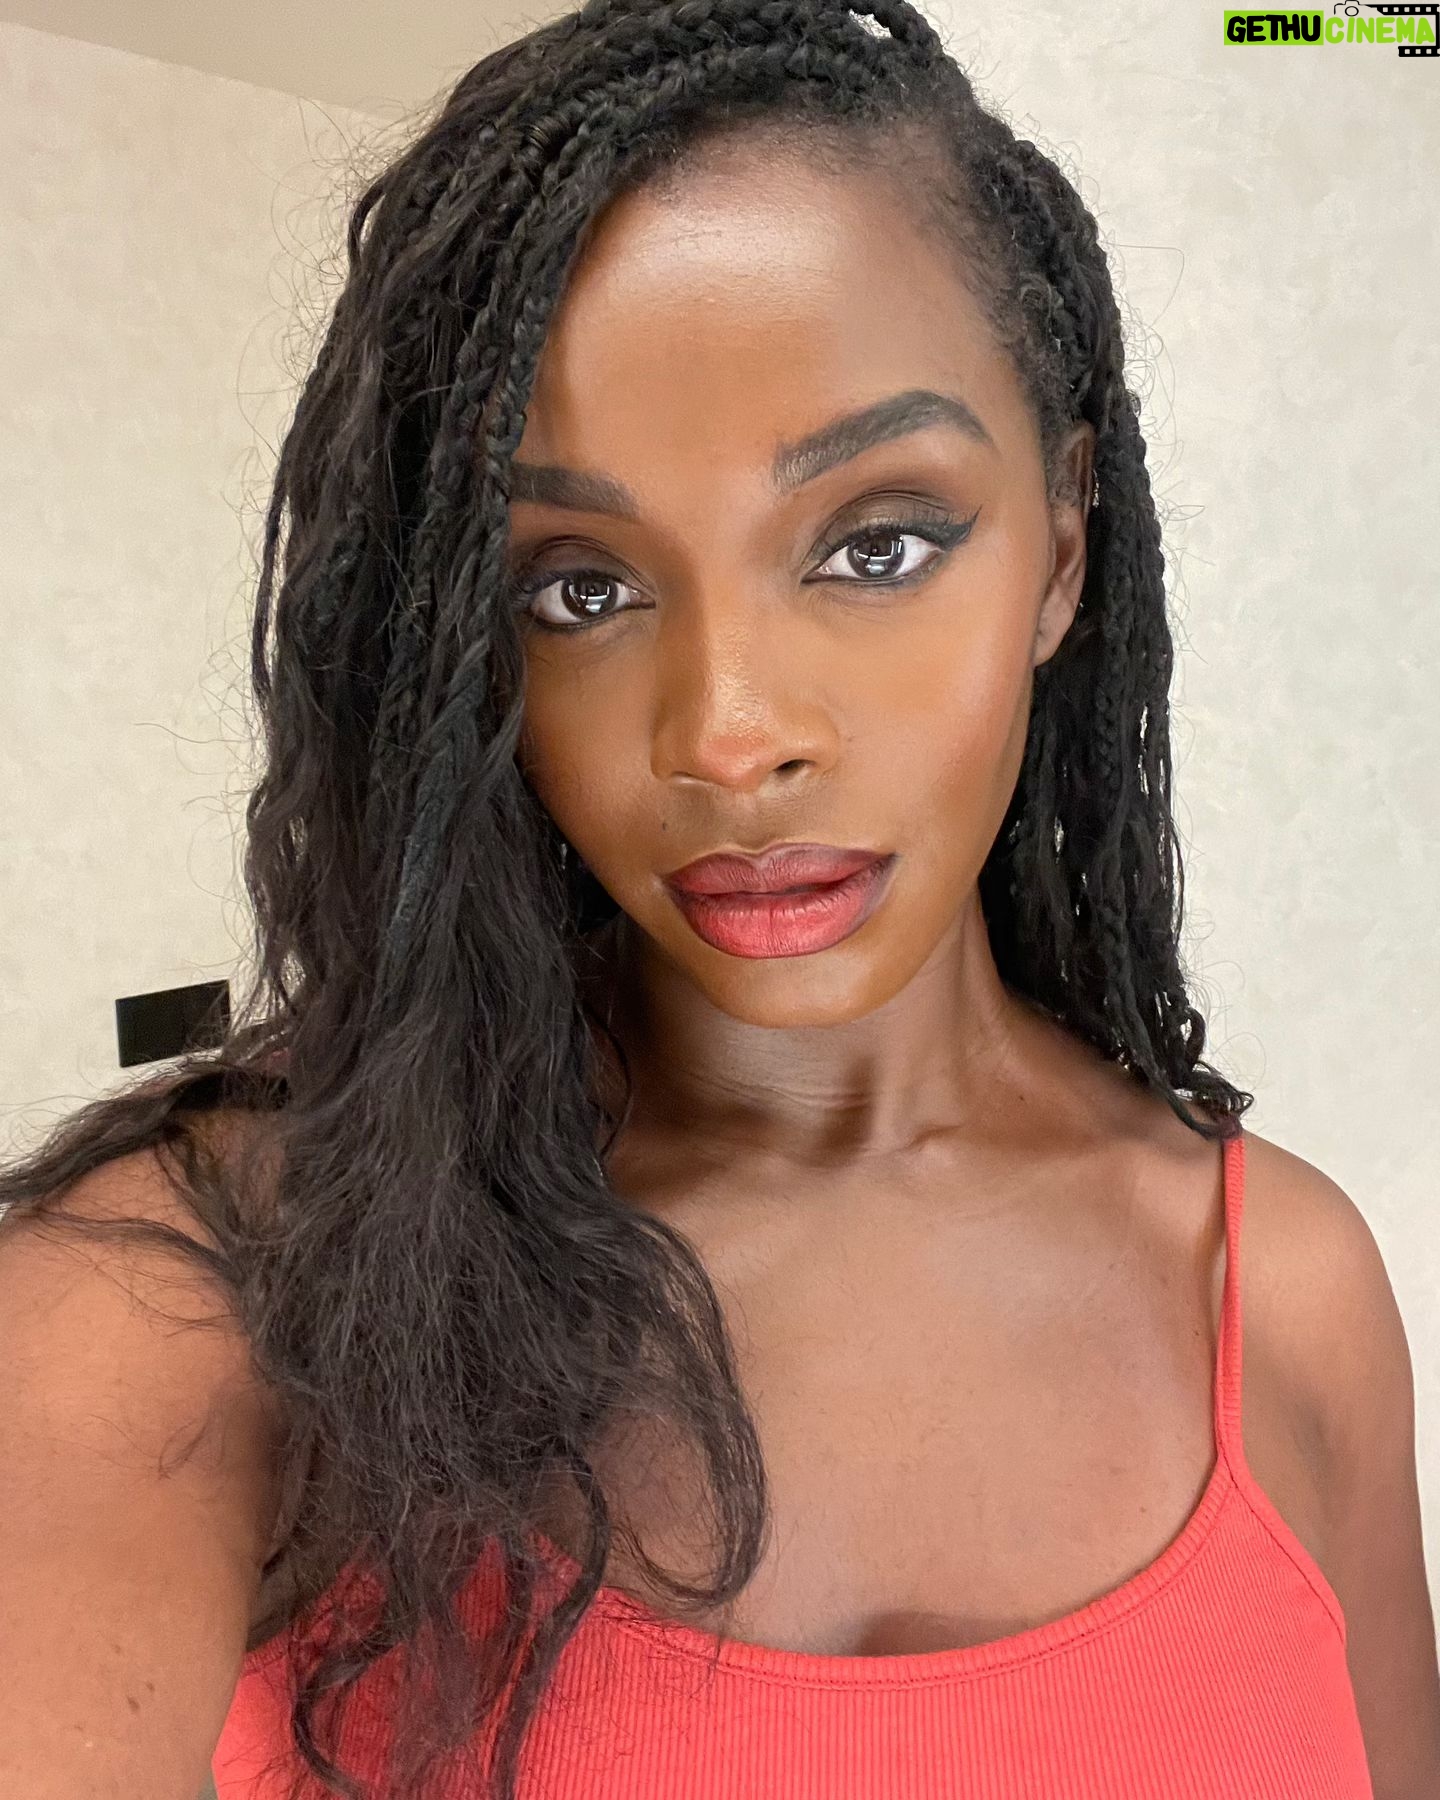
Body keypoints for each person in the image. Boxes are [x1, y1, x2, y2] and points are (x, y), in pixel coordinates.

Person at [2, 0, 1437, 1795]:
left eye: (877, 544)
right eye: (580, 588)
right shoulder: (207, 1301)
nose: (728, 736)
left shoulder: (1282, 1289)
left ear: (1063, 549)